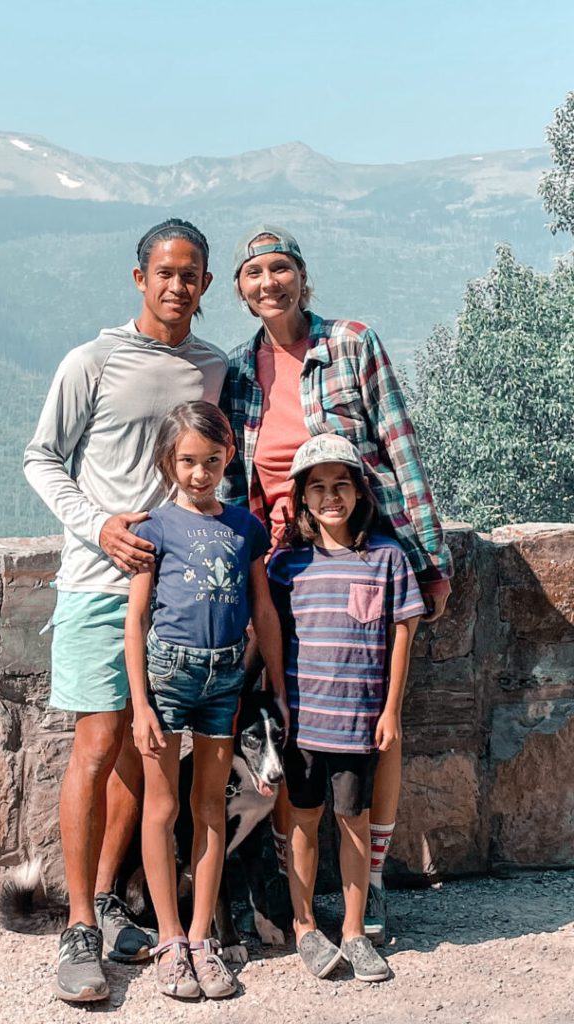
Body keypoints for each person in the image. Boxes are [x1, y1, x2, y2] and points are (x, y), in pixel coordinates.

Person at [224, 224, 452, 943]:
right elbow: (237, 484)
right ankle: (281, 887)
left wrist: (429, 557)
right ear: (239, 288)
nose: (270, 283)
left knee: (375, 726)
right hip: (286, 567)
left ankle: (371, 878)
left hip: (367, 548)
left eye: (281, 268)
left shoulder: (354, 342)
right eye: (254, 273)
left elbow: (398, 444)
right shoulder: (238, 372)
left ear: (303, 277)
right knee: (294, 721)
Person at [23, 219, 228, 1002]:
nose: (178, 285)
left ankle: (107, 902)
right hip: (97, 584)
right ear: (139, 276)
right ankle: (78, 930)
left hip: (178, 596)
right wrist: (99, 525)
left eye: (192, 274)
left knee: (150, 754)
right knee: (98, 740)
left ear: (207, 286)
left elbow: (220, 465)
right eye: (165, 271)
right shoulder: (94, 360)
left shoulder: (212, 369)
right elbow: (41, 456)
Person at [125, 401, 286, 999]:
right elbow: (136, 618)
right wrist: (140, 704)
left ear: (228, 459)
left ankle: (201, 938)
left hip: (224, 682)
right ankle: (169, 940)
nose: (199, 473)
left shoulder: (245, 528)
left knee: (211, 808)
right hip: (168, 677)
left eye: (211, 461)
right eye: (188, 461)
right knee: (163, 808)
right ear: (170, 460)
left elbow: (263, 610)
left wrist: (278, 683)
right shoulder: (156, 528)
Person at [268, 433, 424, 982]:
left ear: (359, 492)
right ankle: (306, 927)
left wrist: (390, 712)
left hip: (358, 722)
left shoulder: (385, 559)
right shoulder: (288, 566)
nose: (330, 496)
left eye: (341, 485)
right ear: (302, 499)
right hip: (305, 722)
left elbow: (402, 635)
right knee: (305, 821)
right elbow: (272, 637)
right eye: (317, 487)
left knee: (353, 822)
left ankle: (355, 931)